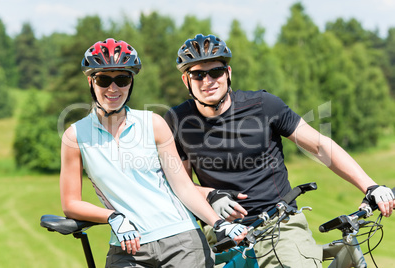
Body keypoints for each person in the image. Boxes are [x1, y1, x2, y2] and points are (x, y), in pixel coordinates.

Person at [164, 34, 395, 267]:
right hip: (223, 230)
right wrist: (210, 195)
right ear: (186, 80)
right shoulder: (178, 120)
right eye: (198, 75)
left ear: (228, 73)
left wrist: (370, 186)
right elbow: (181, 183)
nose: (208, 81)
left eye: (215, 72)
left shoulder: (263, 106)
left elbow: (320, 146)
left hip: (279, 223)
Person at [60, 38, 247, 268]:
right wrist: (113, 217)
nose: (113, 88)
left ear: (131, 82)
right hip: (127, 247)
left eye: (122, 79)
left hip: (183, 243)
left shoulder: (153, 124)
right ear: (91, 82)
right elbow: (70, 203)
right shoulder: (75, 136)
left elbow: (182, 186)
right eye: (103, 79)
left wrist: (218, 223)